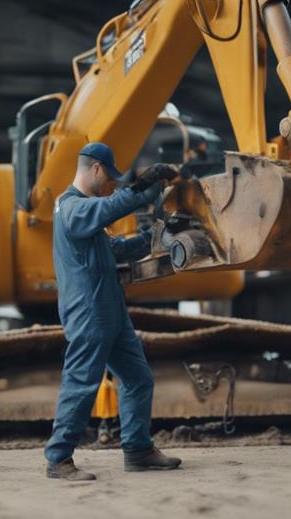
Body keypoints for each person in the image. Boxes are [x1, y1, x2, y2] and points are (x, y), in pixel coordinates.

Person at [45, 142, 181, 481]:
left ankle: (138, 450)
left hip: (110, 309)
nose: (110, 186)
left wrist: (157, 235)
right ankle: (58, 460)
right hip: (89, 311)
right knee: (81, 384)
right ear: (95, 169)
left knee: (137, 378)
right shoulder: (71, 207)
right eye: (109, 179)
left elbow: (116, 249)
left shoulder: (86, 213)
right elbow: (110, 208)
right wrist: (142, 187)